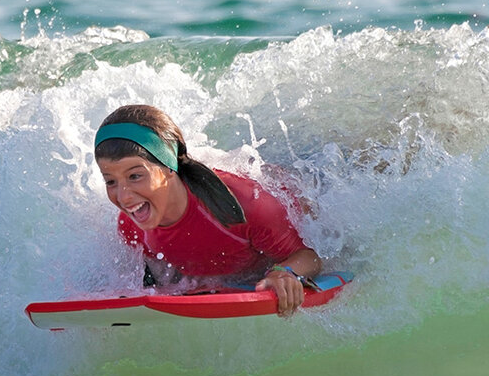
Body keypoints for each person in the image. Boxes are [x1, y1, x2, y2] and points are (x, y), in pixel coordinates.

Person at [94, 104, 322, 316]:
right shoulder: (130, 224)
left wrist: (284, 272)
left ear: (168, 167)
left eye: (135, 176)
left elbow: (310, 257)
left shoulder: (243, 205)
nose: (123, 196)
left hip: (313, 182)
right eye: (110, 181)